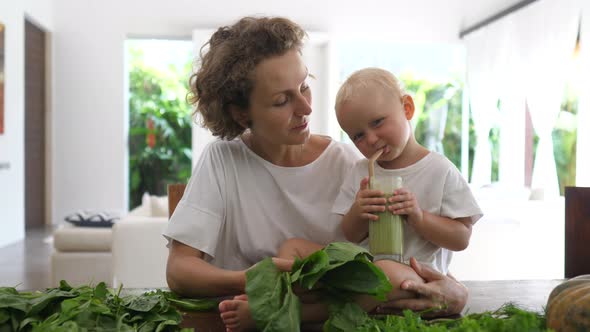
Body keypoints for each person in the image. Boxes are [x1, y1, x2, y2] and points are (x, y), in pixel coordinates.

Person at [162, 16, 472, 331]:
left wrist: (456, 294)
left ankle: (290, 310)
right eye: (282, 100)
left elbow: (409, 253)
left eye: (304, 86)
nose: (306, 108)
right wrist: (259, 276)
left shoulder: (353, 163)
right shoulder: (222, 161)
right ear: (241, 113)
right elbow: (180, 271)